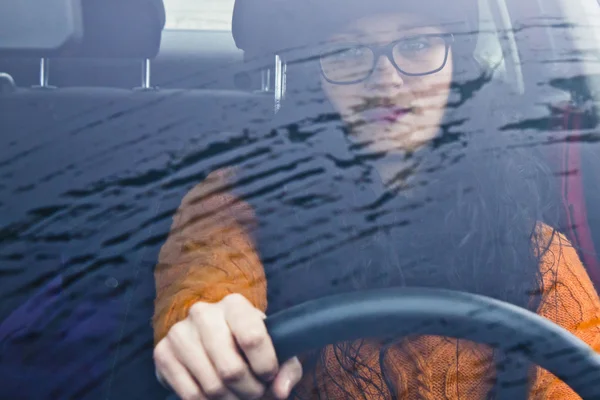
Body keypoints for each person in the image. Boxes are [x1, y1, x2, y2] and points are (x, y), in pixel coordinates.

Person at [152, 0, 600, 399]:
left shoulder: (535, 250)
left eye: (418, 45)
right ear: (316, 76)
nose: (386, 82)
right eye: (347, 51)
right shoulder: (243, 194)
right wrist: (211, 329)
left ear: (457, 67)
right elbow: (208, 271)